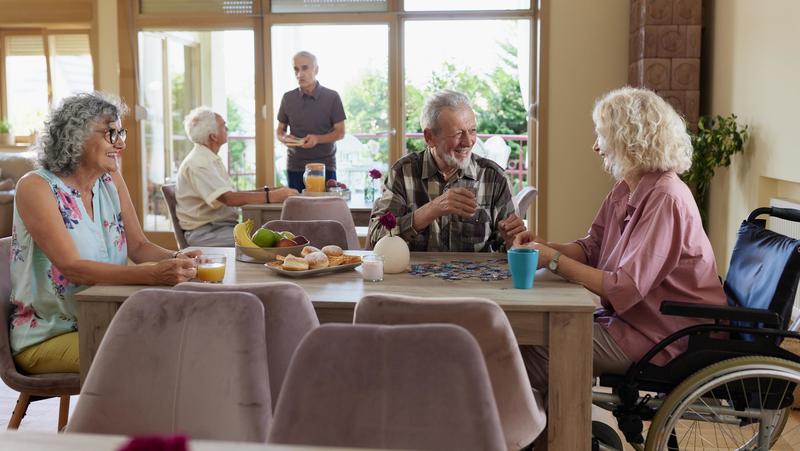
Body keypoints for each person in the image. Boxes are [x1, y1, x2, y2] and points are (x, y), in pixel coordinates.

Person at [513, 87, 727, 395]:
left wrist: (553, 260)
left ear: (628, 139)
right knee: (528, 340)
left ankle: (555, 433)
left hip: (666, 335)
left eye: (601, 136)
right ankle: (545, 428)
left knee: (537, 349)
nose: (595, 147)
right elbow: (590, 248)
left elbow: (624, 287)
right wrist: (545, 246)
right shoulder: (627, 188)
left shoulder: (666, 198)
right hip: (633, 322)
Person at [9, 92, 201, 374]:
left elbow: (138, 246)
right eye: (110, 133)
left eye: (120, 133)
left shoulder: (109, 179)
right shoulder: (36, 187)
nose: (121, 143)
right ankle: (108, 420)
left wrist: (178, 258)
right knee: (151, 360)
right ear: (75, 136)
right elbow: (74, 269)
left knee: (188, 341)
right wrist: (153, 274)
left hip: (109, 319)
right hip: (48, 335)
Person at [367, 90, 525, 252]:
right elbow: (377, 238)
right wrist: (431, 210)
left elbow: (512, 250)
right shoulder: (403, 173)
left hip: (474, 277)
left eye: (472, 130)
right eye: (458, 133)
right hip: (414, 277)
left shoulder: (494, 177)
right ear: (429, 137)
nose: (468, 141)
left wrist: (513, 242)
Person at [176, 107, 298, 247]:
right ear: (213, 136)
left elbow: (230, 195)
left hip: (220, 227)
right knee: (267, 243)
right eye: (223, 126)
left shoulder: (209, 158)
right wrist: (272, 196)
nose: (227, 128)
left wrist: (269, 190)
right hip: (207, 232)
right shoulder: (199, 163)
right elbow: (228, 198)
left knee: (275, 236)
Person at [276, 51, 346, 192]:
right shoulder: (287, 98)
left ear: (316, 69)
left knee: (324, 212)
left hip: (325, 167)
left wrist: (317, 139)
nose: (299, 74)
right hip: (295, 166)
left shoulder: (332, 97)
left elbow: (340, 132)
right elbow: (279, 130)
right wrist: (284, 138)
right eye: (296, 69)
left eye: (305, 68)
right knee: (297, 211)